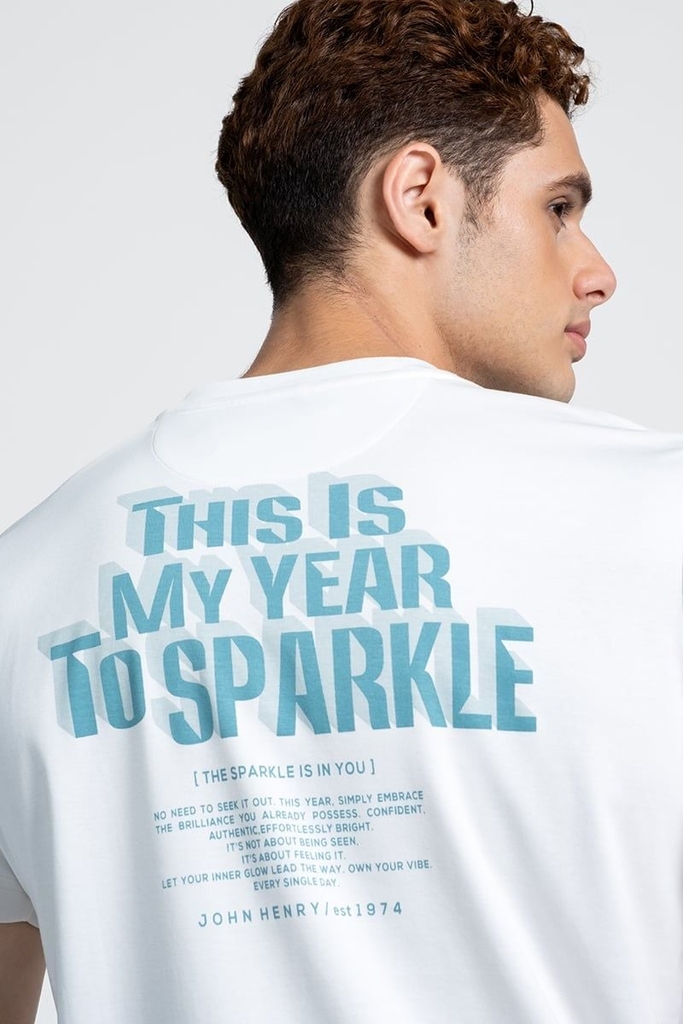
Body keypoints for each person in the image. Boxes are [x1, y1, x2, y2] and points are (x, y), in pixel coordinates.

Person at [1, 1, 680, 1021]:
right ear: (419, 198)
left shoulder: (25, 584)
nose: (596, 271)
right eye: (556, 208)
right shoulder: (657, 517)